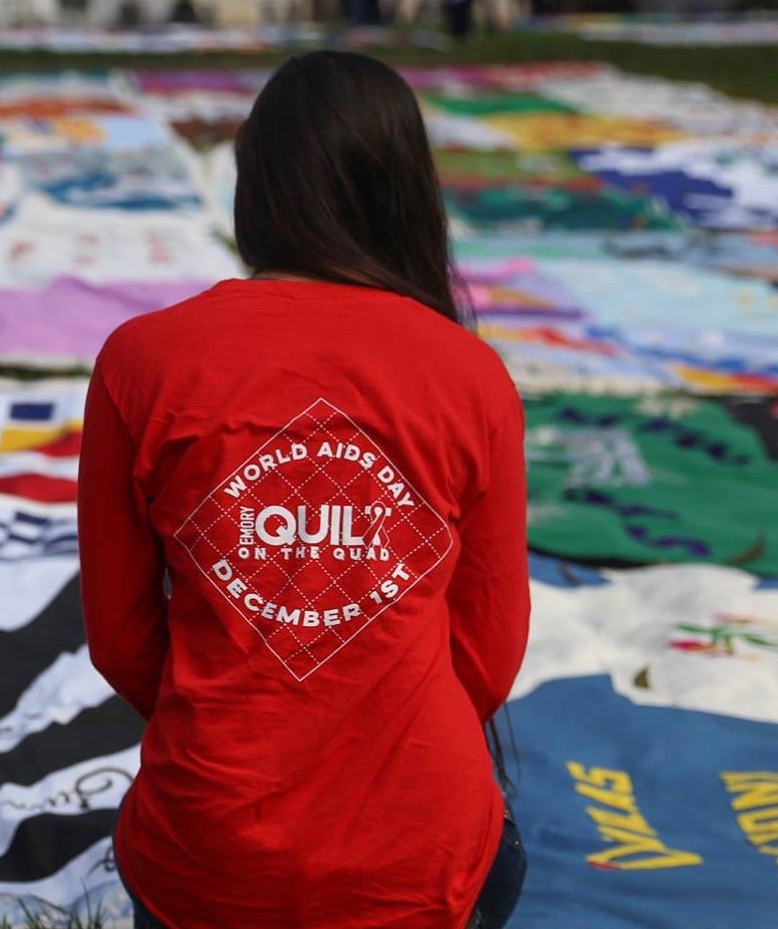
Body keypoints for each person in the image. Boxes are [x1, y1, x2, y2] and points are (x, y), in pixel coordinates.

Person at [79, 51, 530, 929]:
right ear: (405, 193)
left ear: (255, 185)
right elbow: (488, 650)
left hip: (205, 852)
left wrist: (240, 716)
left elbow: (122, 641)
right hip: (419, 852)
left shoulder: (142, 361)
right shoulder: (472, 376)